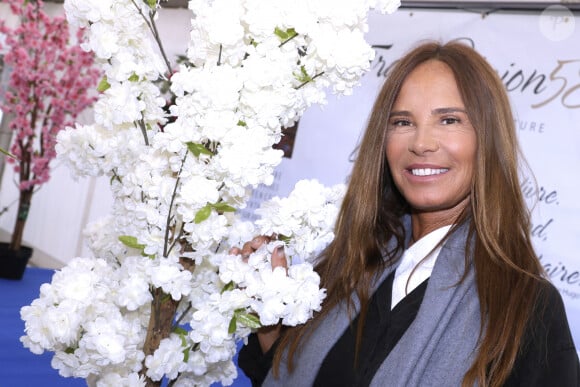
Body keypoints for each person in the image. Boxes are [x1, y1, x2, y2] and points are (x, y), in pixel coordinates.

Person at [234, 41, 580, 387]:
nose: (421, 143)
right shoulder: (348, 267)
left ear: (487, 139)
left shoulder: (527, 308)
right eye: (402, 122)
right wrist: (270, 316)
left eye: (449, 119)